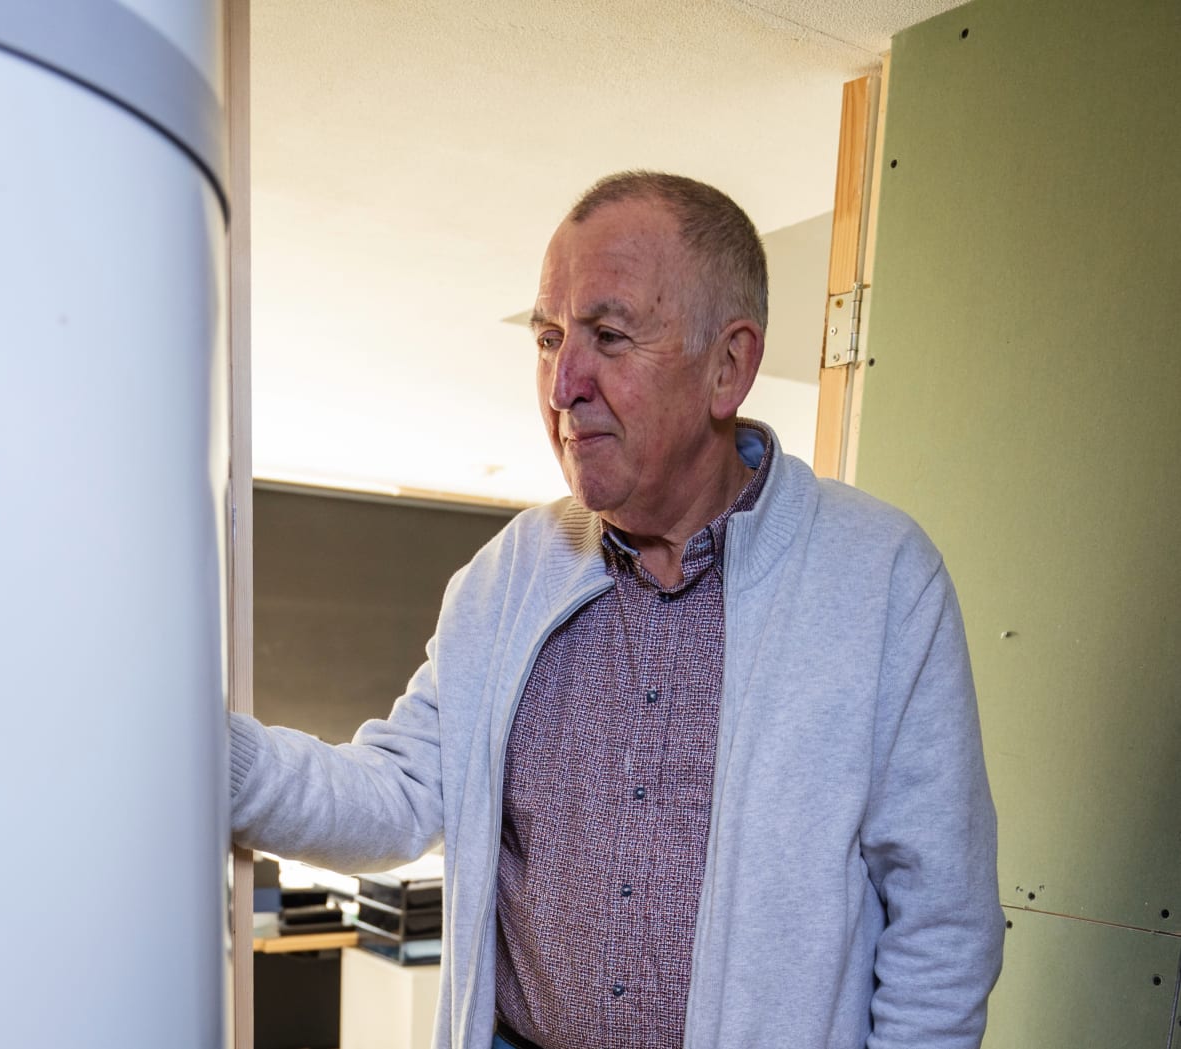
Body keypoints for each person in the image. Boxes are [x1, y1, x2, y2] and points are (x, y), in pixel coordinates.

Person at [229, 171, 1003, 1049]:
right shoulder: (506, 576)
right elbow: (399, 791)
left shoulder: (883, 581)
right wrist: (201, 754)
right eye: (550, 336)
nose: (563, 384)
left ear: (730, 366)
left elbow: (942, 926)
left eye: (608, 335)